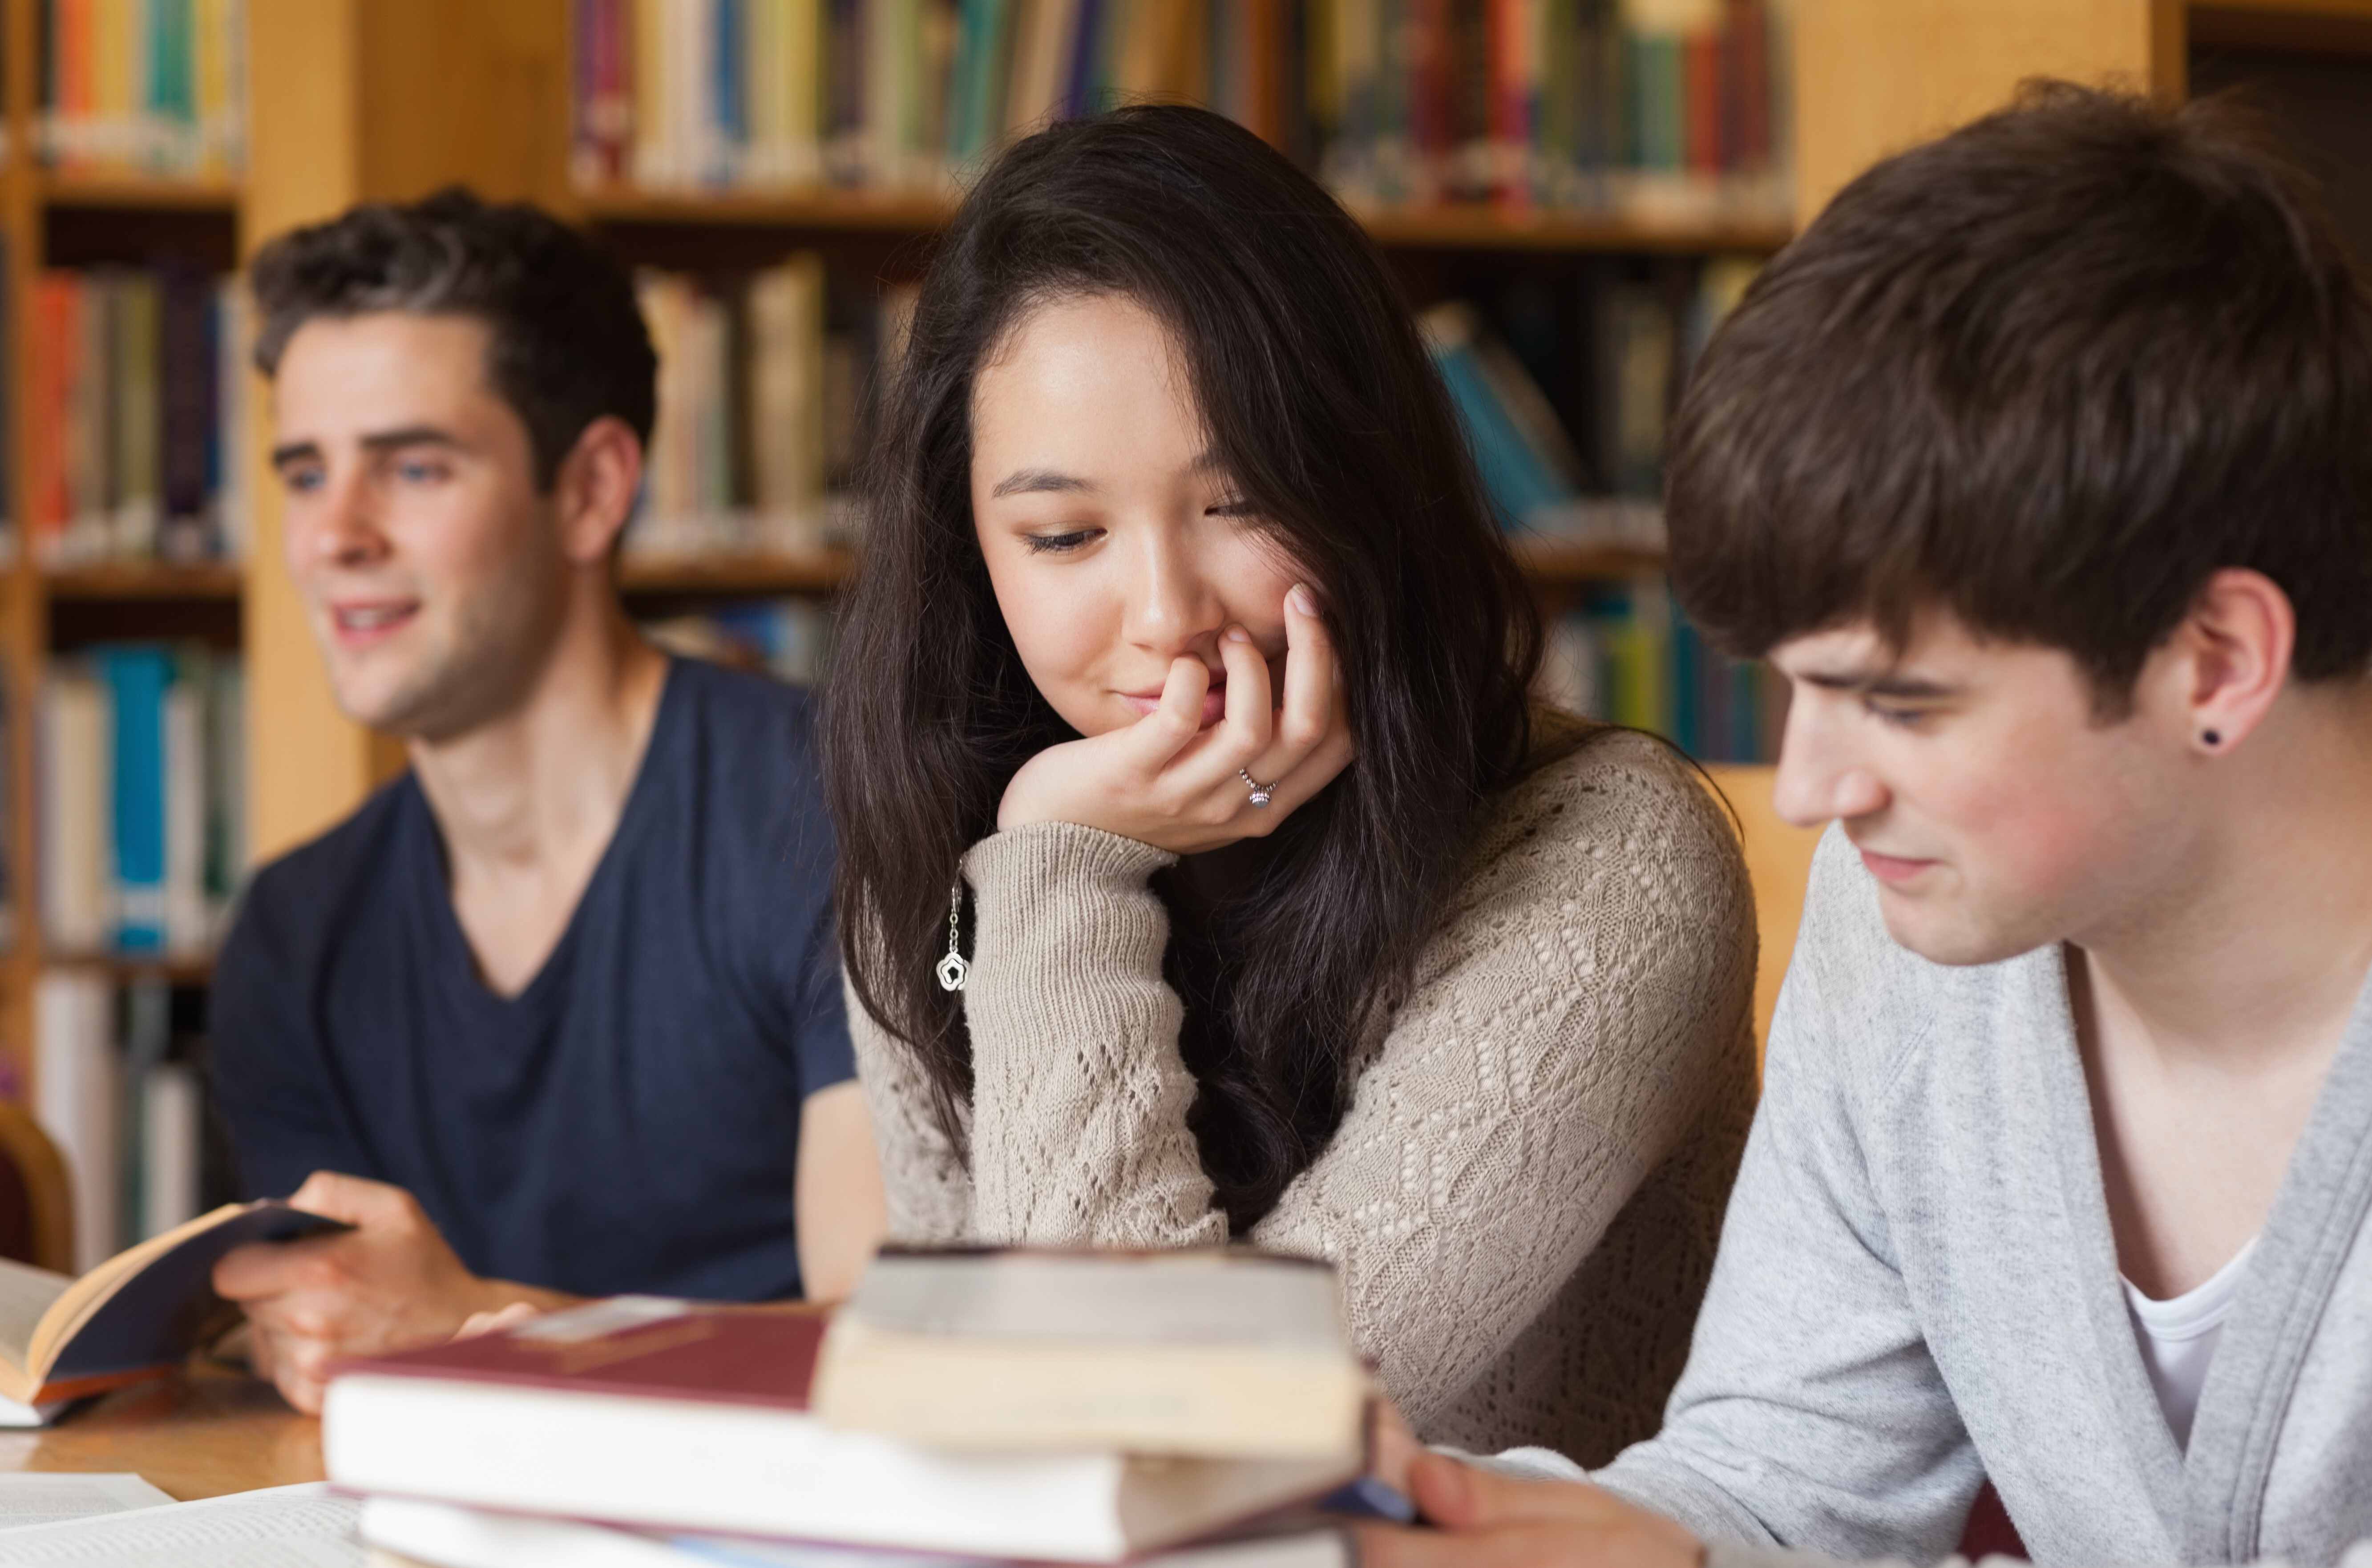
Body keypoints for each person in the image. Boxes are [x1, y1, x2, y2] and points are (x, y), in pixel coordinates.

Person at [1354, 85, 2372, 1568]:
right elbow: (1786, 1487)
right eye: (1794, 691)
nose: (1812, 786)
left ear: (2212, 659)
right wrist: (1547, 1531)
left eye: (1896, 700)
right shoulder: (1907, 920)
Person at [822, 105, 1759, 1460]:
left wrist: (1062, 870)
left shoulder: (1611, 854)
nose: (1165, 614)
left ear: (1365, 484)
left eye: (1240, 501)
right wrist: (1045, 861)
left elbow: (1181, 1446)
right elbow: (996, 1431)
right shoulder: (948, 848)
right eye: (1065, 531)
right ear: (971, 550)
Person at [207, 190, 885, 1414]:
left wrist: (474, 1325)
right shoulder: (291, 932)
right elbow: (331, 1324)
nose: (334, 536)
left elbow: (890, 1345)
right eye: (306, 473)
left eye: (413, 466)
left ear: (588, 490)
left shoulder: (833, 814)